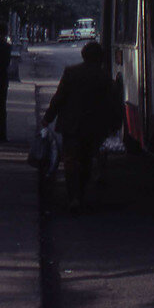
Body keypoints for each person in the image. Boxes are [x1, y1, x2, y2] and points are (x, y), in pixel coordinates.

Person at [43, 42, 118, 212]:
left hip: (72, 125)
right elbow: (112, 104)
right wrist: (113, 126)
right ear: (100, 58)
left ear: (83, 55)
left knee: (70, 160)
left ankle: (73, 196)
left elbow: (59, 98)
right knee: (86, 160)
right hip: (94, 127)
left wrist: (48, 118)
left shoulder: (71, 73)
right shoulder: (104, 77)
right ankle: (81, 194)